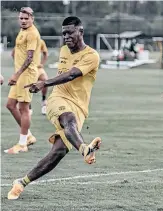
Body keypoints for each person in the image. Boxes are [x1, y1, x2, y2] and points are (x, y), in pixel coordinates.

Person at [7, 16, 102, 200]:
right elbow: (64, 76)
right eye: (64, 33)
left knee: (58, 151)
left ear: (80, 32)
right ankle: (84, 149)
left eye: (70, 32)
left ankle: (21, 182)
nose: (66, 37)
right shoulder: (64, 50)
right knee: (68, 118)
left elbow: (72, 74)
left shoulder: (92, 56)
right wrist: (47, 85)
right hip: (57, 99)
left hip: (80, 107)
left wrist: (44, 82)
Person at [4, 7, 40, 154]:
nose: (24, 21)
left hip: (26, 75)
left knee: (23, 109)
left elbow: (30, 58)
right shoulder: (22, 31)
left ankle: (22, 144)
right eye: (21, 18)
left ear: (32, 19)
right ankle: (29, 135)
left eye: (27, 18)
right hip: (20, 74)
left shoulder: (32, 33)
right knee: (10, 105)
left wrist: (16, 74)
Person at [12, 39, 49, 115]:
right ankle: (28, 107)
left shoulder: (40, 41)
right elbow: (13, 53)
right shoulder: (21, 41)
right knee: (26, 86)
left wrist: (42, 63)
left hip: (37, 68)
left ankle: (43, 100)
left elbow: (45, 53)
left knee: (45, 80)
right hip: (26, 69)